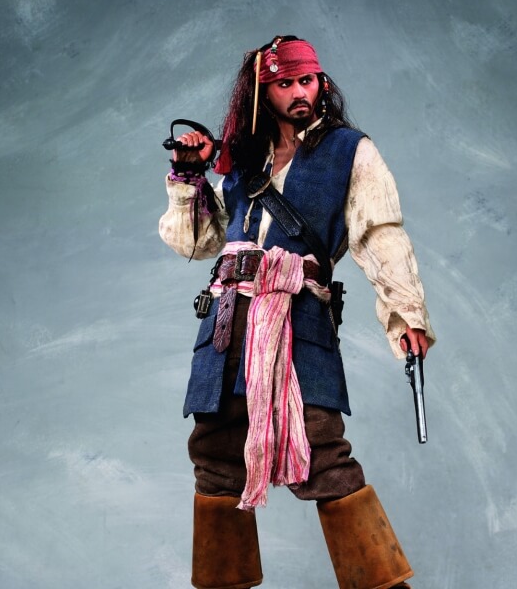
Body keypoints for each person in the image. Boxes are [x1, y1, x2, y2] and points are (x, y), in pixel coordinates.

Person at [159, 35, 435, 589]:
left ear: (321, 83)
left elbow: (380, 234)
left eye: (306, 80)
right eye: (285, 83)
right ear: (264, 92)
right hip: (228, 323)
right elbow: (198, 243)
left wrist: (406, 315)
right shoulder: (243, 160)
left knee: (321, 451)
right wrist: (190, 178)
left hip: (295, 317)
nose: (299, 92)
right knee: (214, 456)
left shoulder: (351, 151)